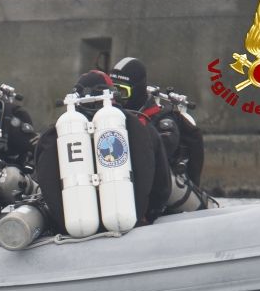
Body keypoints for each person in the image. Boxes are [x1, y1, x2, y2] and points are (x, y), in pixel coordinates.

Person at [32, 70, 171, 235]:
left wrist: (61, 226)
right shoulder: (141, 128)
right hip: (131, 229)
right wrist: (147, 216)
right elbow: (162, 187)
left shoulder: (54, 135)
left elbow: (46, 184)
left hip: (74, 233)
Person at [109, 57, 205, 187]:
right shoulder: (108, 116)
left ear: (137, 90)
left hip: (156, 190)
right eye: (112, 92)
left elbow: (155, 158)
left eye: (122, 92)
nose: (116, 100)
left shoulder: (163, 122)